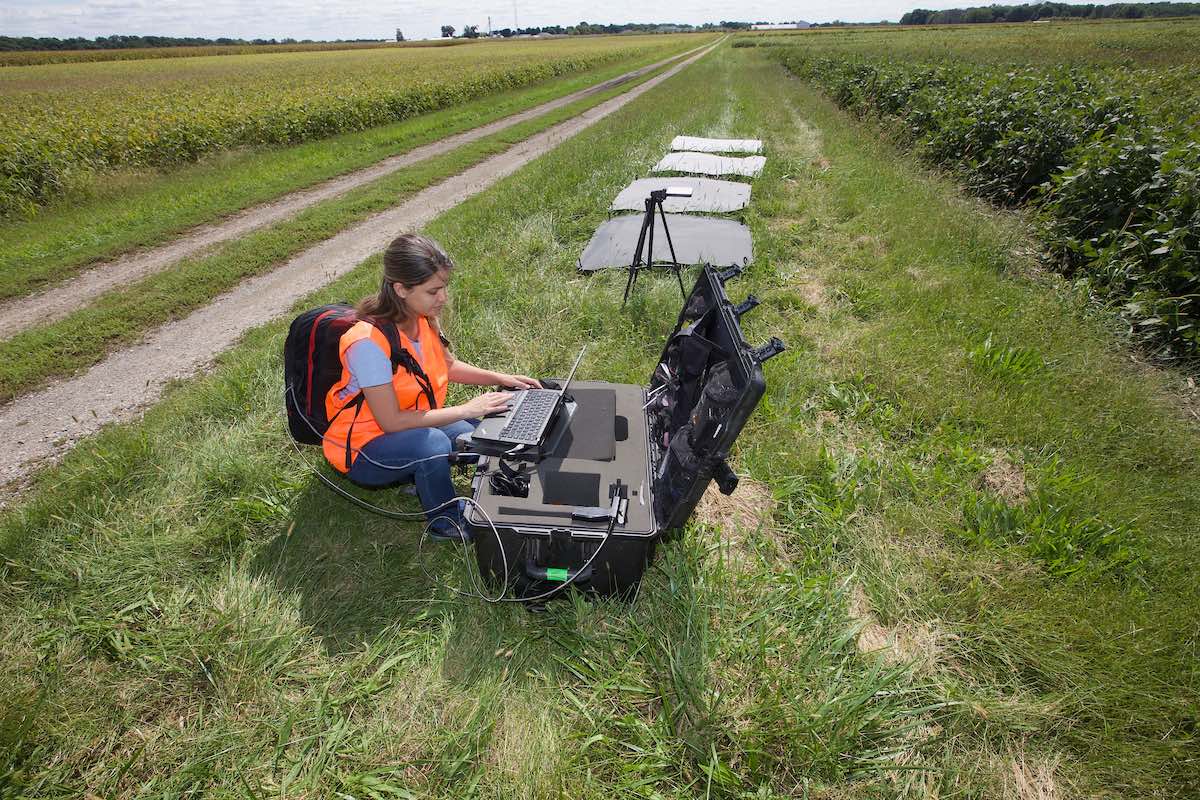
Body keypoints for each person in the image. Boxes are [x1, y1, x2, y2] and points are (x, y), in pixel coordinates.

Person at [322, 233, 539, 541]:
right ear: (401, 289)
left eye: (444, 287)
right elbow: (391, 421)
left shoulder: (422, 317)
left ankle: (421, 475)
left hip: (407, 425)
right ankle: (445, 523)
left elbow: (447, 367)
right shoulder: (368, 344)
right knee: (433, 444)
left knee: (481, 436)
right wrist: (466, 408)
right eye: (433, 290)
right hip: (363, 449)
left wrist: (501, 378)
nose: (443, 298)